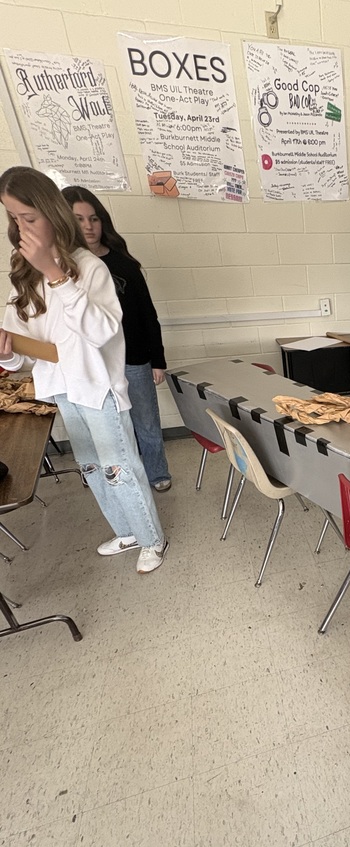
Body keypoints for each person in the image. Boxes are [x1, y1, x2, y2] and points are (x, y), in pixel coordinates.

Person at [0, 166, 168, 573]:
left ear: (50, 212)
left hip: (98, 388)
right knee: (92, 467)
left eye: (29, 217)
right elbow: (25, 351)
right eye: (13, 218)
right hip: (61, 389)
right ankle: (127, 531)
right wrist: (6, 353)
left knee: (119, 465)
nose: (21, 228)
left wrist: (56, 273)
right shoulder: (22, 275)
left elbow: (102, 332)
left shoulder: (88, 268)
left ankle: (151, 537)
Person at [62, 186, 171, 492]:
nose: (88, 226)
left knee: (146, 422)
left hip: (133, 359)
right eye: (79, 219)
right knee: (106, 429)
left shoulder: (124, 265)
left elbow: (148, 315)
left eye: (94, 218)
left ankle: (156, 473)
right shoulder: (61, 269)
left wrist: (157, 360)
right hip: (90, 365)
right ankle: (113, 479)